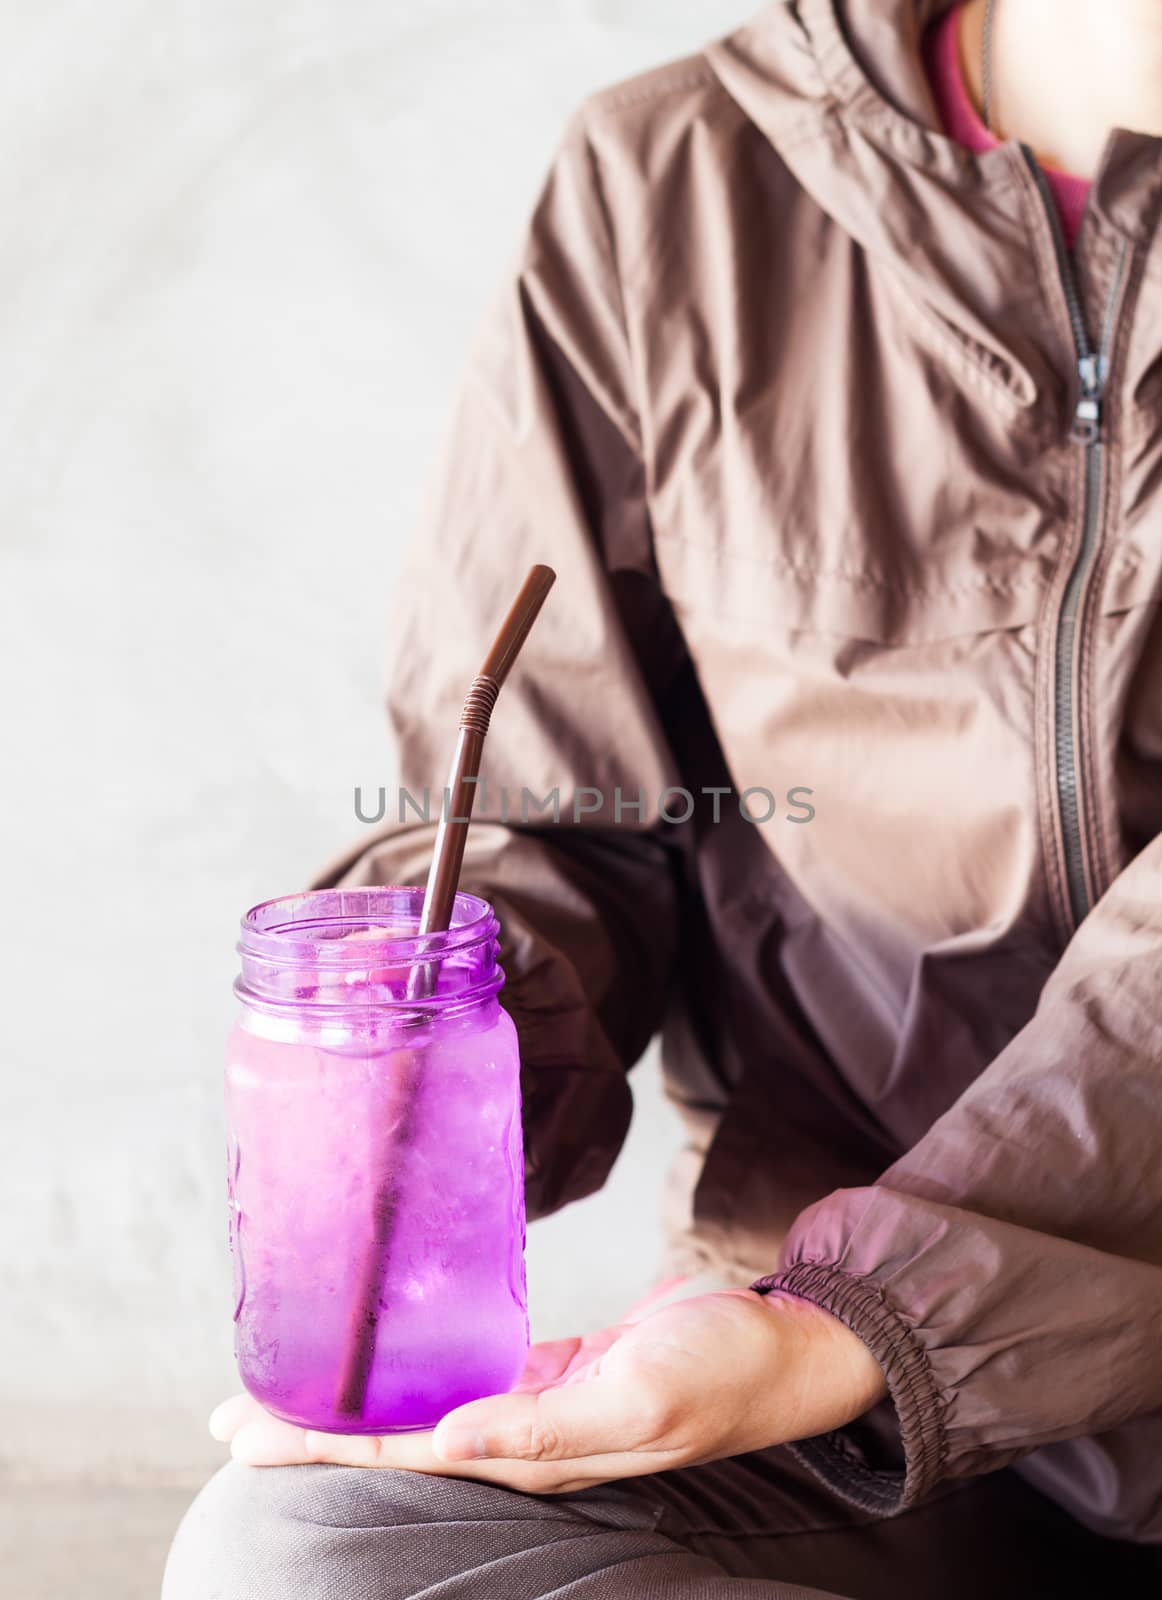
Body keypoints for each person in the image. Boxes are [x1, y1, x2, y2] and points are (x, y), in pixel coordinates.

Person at [164, 2, 1162, 1595]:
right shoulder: (671, 177)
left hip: (852, 1338)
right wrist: (468, 1009)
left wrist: (869, 1321)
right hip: (824, 1407)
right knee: (310, 1555)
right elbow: (561, 808)